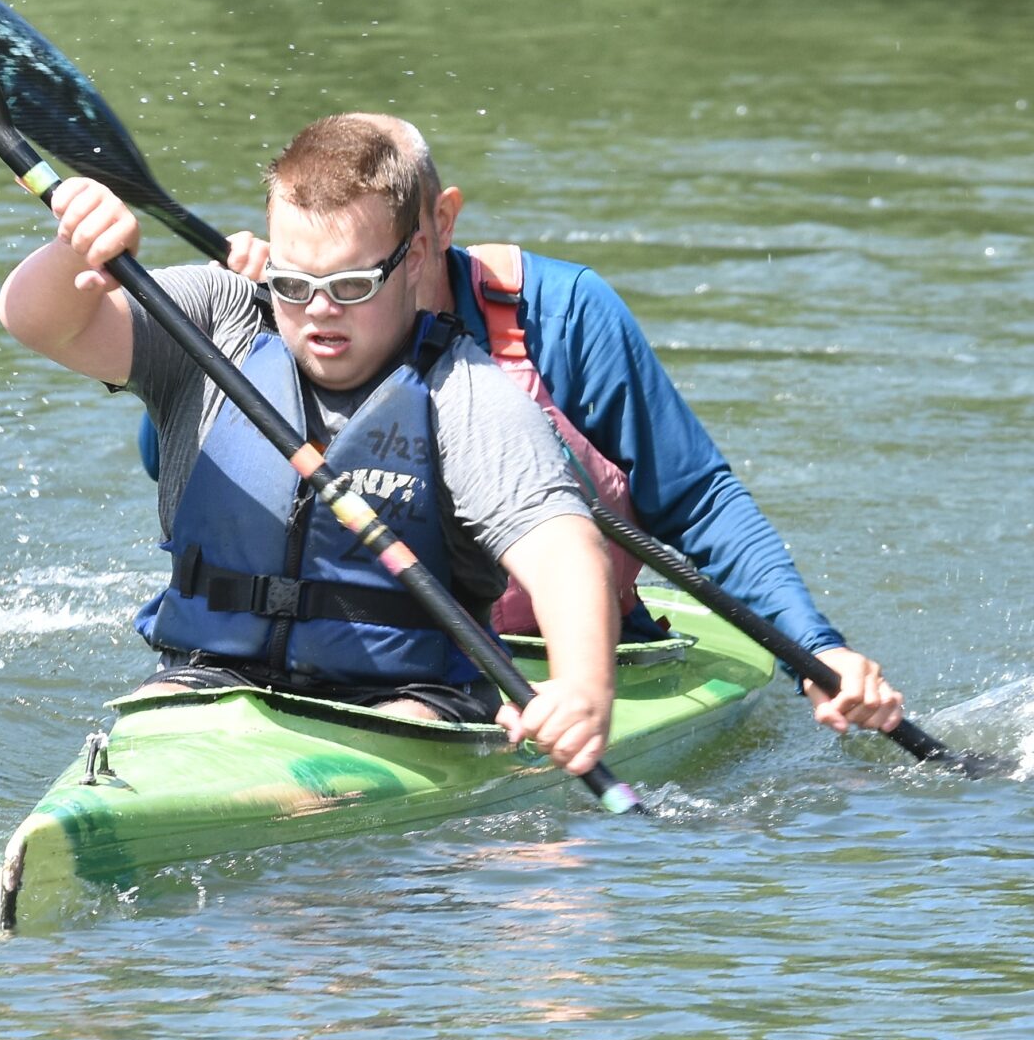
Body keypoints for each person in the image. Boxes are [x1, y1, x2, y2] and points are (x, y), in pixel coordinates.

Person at [194, 115, 905, 736]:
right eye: (310, 268)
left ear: (439, 223)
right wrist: (240, 337)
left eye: (360, 266)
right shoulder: (285, 315)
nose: (331, 291)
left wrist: (815, 646)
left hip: (517, 672)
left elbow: (698, 502)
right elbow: (186, 468)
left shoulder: (563, 314)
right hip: (329, 658)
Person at [0, 114, 624, 775]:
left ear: (413, 259)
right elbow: (39, 322)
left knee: (383, 748)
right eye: (294, 285)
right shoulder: (218, 321)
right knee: (150, 720)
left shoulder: (465, 393)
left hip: (406, 702)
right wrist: (76, 249)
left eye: (350, 286)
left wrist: (583, 686)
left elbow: (563, 546)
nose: (320, 309)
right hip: (207, 677)